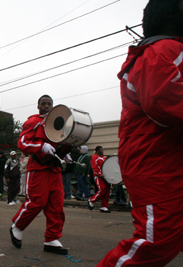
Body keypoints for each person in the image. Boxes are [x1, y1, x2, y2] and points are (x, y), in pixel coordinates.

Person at [98, 1, 183, 265]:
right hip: (158, 165)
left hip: (165, 161)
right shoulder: (162, 50)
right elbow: (162, 102)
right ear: (172, 14)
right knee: (155, 243)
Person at [10, 94, 69, 255]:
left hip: (54, 170)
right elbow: (21, 143)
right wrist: (40, 146)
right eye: (43, 104)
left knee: (56, 205)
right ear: (38, 106)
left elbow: (60, 143)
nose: (46, 106)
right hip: (38, 168)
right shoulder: (33, 122)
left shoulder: (58, 124)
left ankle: (51, 238)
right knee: (37, 201)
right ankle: (18, 226)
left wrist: (64, 154)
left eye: (49, 104)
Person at [87, 146, 110, 213]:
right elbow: (94, 167)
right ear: (97, 150)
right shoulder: (94, 157)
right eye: (101, 149)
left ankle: (104, 206)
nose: (102, 151)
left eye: (103, 149)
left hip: (106, 176)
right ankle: (91, 200)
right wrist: (99, 174)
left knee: (107, 191)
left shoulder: (104, 158)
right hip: (98, 176)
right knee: (102, 189)